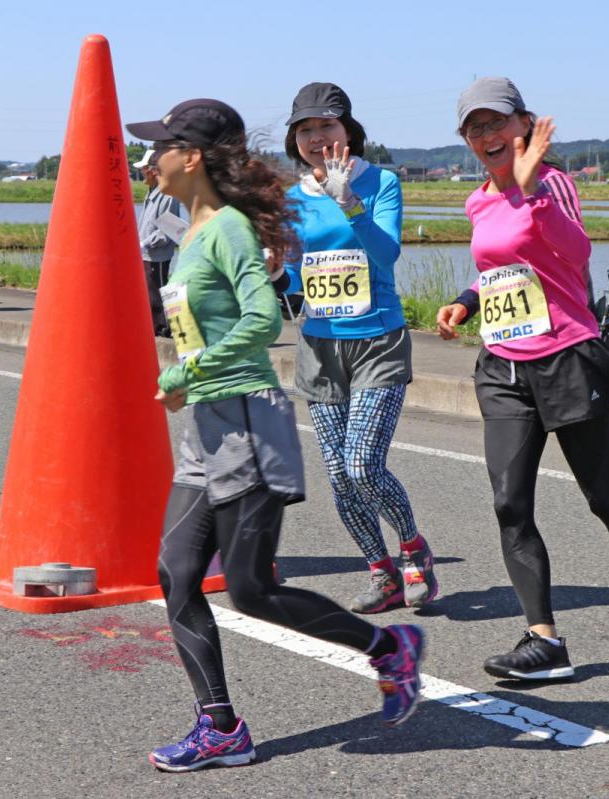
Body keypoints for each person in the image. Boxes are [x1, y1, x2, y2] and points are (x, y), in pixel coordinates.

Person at [126, 98, 424, 772]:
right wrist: (185, 376)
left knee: (251, 587)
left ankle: (389, 648)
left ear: (192, 156)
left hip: (250, 420)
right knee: (175, 574)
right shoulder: (194, 231)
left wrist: (190, 367)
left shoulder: (226, 228)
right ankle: (221, 726)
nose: (149, 161)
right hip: (208, 421)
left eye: (160, 148)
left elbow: (263, 321)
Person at [436, 77, 609, 680]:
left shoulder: (553, 184)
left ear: (523, 125)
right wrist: (466, 301)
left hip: (567, 358)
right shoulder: (476, 201)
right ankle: (544, 640)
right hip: (502, 366)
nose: (487, 136)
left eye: (496, 122)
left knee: (603, 498)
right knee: (509, 502)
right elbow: (503, 266)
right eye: (474, 128)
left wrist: (531, 192)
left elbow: (572, 253)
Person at [275, 82, 438, 614]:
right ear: (294, 139)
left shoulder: (382, 182)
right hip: (320, 347)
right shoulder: (292, 199)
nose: (317, 137)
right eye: (305, 129)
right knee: (339, 475)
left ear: (349, 131)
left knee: (364, 463)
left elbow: (385, 255)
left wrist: (350, 204)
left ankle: (412, 548)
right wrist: (279, 269)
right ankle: (380, 571)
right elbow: (299, 278)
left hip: (377, 340)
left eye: (327, 126)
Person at [134, 148, 184, 336]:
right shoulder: (152, 193)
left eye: (143, 168)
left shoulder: (167, 195)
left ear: (153, 170)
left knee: (160, 292)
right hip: (147, 253)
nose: (141, 172)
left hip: (157, 254)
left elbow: (166, 232)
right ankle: (156, 328)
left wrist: (144, 243)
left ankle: (166, 329)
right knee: (150, 294)